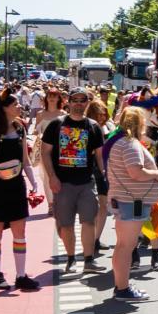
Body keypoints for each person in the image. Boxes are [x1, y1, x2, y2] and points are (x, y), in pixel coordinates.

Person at [0, 91, 39, 292]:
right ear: (4, 108)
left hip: (16, 185)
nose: (19, 106)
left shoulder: (20, 129)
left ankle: (21, 275)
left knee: (20, 231)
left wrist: (33, 182)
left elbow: (25, 161)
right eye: (15, 104)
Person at [41, 88, 105, 275]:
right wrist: (52, 176)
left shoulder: (93, 126)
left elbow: (100, 156)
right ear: (68, 102)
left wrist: (105, 176)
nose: (78, 103)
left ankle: (88, 260)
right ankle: (70, 259)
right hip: (63, 183)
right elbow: (45, 152)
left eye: (82, 100)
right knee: (66, 224)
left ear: (87, 103)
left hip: (86, 182)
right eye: (75, 100)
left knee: (89, 222)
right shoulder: (56, 125)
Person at [104, 106, 158, 303]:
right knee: (126, 245)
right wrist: (157, 174)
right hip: (131, 201)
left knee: (123, 245)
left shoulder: (120, 141)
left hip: (127, 200)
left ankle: (121, 285)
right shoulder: (129, 144)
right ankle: (122, 288)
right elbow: (136, 172)